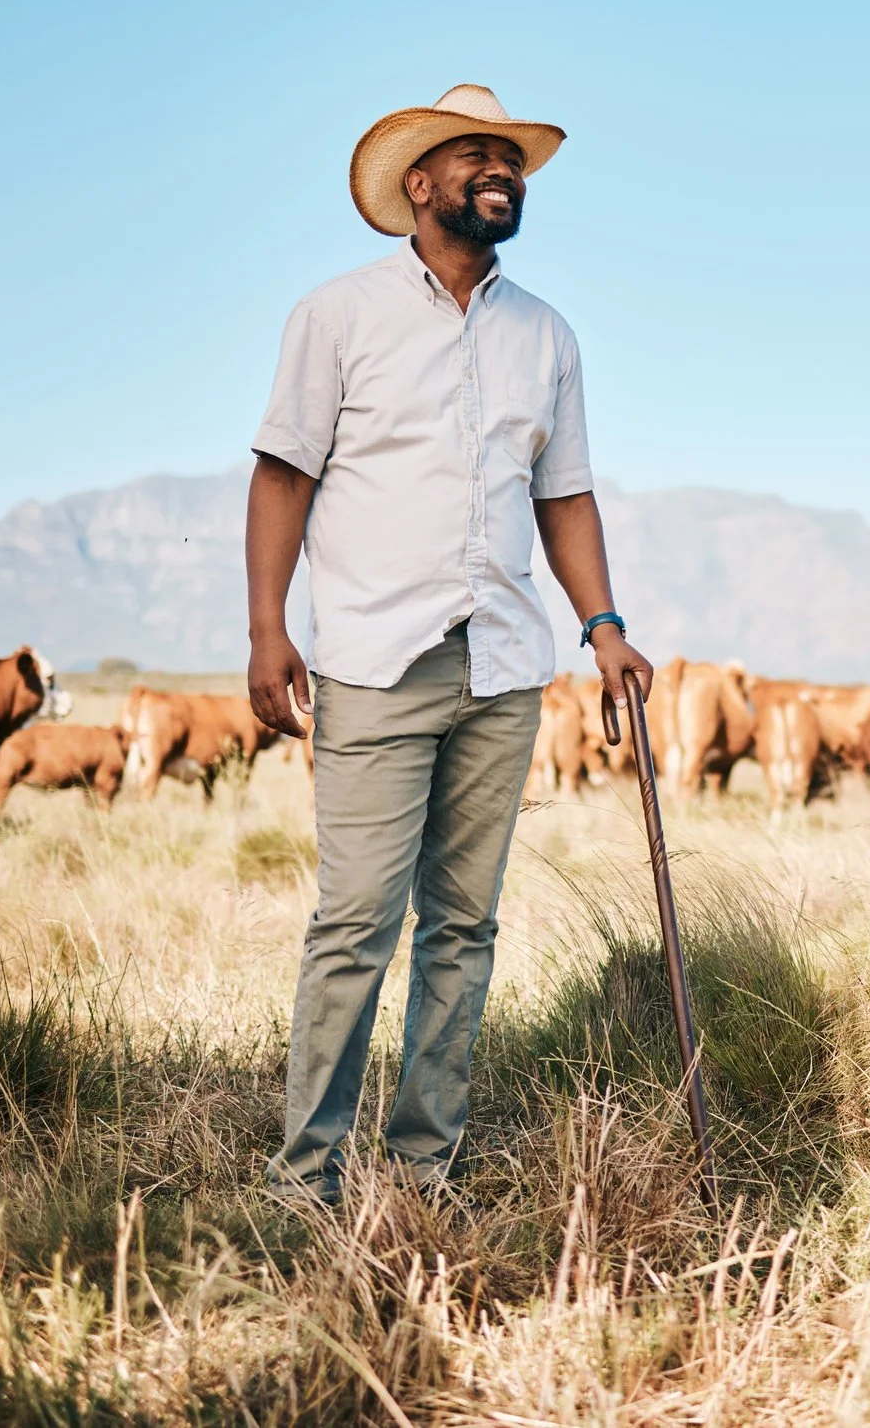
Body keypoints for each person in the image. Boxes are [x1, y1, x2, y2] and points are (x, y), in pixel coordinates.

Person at [244, 84, 652, 1199]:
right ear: (416, 185)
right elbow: (283, 472)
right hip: (374, 656)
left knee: (463, 926)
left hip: (503, 662)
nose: (499, 171)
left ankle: (424, 1164)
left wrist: (603, 624)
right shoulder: (337, 316)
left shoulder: (545, 335)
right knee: (356, 920)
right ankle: (307, 1174)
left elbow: (563, 496)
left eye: (509, 159)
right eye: (474, 155)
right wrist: (267, 628)